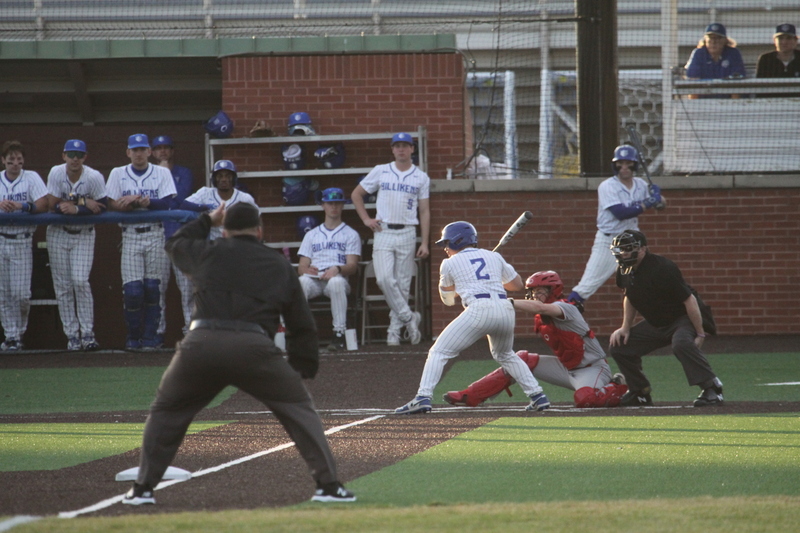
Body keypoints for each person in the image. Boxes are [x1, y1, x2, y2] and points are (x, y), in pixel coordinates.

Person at [122, 202, 355, 505]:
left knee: (167, 411)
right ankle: (329, 486)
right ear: (259, 231)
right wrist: (302, 367)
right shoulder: (277, 264)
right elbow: (301, 322)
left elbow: (174, 243)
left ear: (225, 230)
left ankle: (142, 489)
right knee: (298, 407)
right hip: (253, 348)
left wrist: (206, 220)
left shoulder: (207, 251)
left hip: (200, 345)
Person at [394, 221, 550, 415]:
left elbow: (448, 301)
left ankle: (423, 397)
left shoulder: (449, 264)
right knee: (505, 354)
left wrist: (461, 285)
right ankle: (538, 396)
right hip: (505, 310)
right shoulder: (494, 256)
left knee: (439, 351)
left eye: (447, 244)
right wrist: (491, 276)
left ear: (458, 241)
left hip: (479, 309)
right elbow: (517, 285)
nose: (445, 249)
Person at [443, 270, 628, 409]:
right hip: (567, 368)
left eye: (539, 291)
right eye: (532, 292)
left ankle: (617, 387)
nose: (534, 296)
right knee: (521, 359)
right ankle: (471, 395)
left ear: (553, 290)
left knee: (585, 399)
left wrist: (505, 302)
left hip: (593, 368)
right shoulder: (541, 315)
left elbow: (543, 308)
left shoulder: (566, 307)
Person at [607, 230, 723, 408]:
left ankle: (712, 387)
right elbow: (630, 297)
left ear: (643, 249)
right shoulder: (623, 271)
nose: (624, 254)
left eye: (628, 249)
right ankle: (640, 392)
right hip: (657, 322)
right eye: (621, 249)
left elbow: (689, 299)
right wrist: (625, 327)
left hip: (683, 317)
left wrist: (700, 332)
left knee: (682, 343)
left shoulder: (663, 268)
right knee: (620, 345)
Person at [351, 132, 430, 345]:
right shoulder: (381, 171)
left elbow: (424, 211)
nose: (401, 149)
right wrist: (366, 219)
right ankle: (409, 317)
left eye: (405, 145)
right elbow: (356, 194)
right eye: (397, 146)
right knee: (384, 279)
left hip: (407, 231)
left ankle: (393, 332)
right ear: (392, 149)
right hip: (383, 230)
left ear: (412, 149)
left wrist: (424, 242)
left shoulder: (421, 177)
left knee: (403, 284)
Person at [567, 145, 664, 307]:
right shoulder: (607, 186)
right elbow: (621, 213)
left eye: (628, 163)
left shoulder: (640, 184)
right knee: (588, 285)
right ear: (615, 165)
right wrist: (649, 202)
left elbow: (662, 205)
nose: (624, 168)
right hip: (609, 241)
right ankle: (564, 314)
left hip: (633, 242)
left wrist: (657, 196)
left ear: (634, 165)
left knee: (651, 279)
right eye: (620, 164)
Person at [106, 134, 176, 352]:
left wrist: (147, 201)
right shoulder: (118, 173)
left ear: (149, 152)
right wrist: (124, 205)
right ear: (128, 152)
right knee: (133, 291)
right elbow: (109, 202)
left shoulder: (162, 172)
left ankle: (150, 338)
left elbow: (168, 202)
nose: (138, 153)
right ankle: (133, 338)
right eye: (134, 150)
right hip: (130, 235)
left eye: (142, 149)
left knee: (153, 289)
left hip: (155, 233)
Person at [45, 139, 107, 351]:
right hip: (58, 233)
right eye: (71, 154)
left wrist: (77, 208)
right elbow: (52, 204)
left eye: (79, 155)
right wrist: (81, 203)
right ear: (64, 156)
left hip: (84, 233)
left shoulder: (93, 176)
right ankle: (72, 335)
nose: (75, 159)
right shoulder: (55, 172)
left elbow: (103, 205)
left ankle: (88, 333)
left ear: (85, 157)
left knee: (80, 281)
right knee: (62, 287)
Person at [297, 187, 361, 351]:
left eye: (337, 204)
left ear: (342, 206)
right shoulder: (311, 234)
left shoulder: (350, 233)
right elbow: (301, 266)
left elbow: (353, 266)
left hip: (337, 278)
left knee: (336, 284)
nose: (334, 207)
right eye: (330, 203)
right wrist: (307, 270)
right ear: (323, 205)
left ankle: (339, 333)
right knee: (301, 282)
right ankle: (301, 334)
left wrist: (338, 269)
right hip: (315, 280)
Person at [0, 140, 48, 352]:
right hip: (1, 238)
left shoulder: (31, 178)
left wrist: (22, 205)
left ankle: (19, 332)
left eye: (19, 160)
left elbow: (43, 203)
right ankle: (11, 337)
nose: (15, 164)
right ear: (4, 161)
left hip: (22, 238)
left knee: (21, 294)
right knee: (3, 293)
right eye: (11, 160)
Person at [152, 134, 196, 337]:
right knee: (157, 289)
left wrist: (165, 175)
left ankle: (190, 331)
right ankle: (157, 333)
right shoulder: (149, 174)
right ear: (152, 152)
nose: (163, 151)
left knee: (187, 288)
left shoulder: (184, 172)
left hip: (179, 238)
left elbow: (179, 200)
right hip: (155, 237)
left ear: (172, 151)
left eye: (166, 147)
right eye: (158, 148)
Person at [180, 159, 258, 241]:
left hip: (237, 244)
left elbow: (257, 218)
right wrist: (204, 207)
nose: (224, 179)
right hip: (213, 245)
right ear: (214, 178)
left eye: (228, 176)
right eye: (219, 176)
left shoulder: (244, 198)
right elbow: (184, 205)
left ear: (234, 178)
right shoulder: (205, 192)